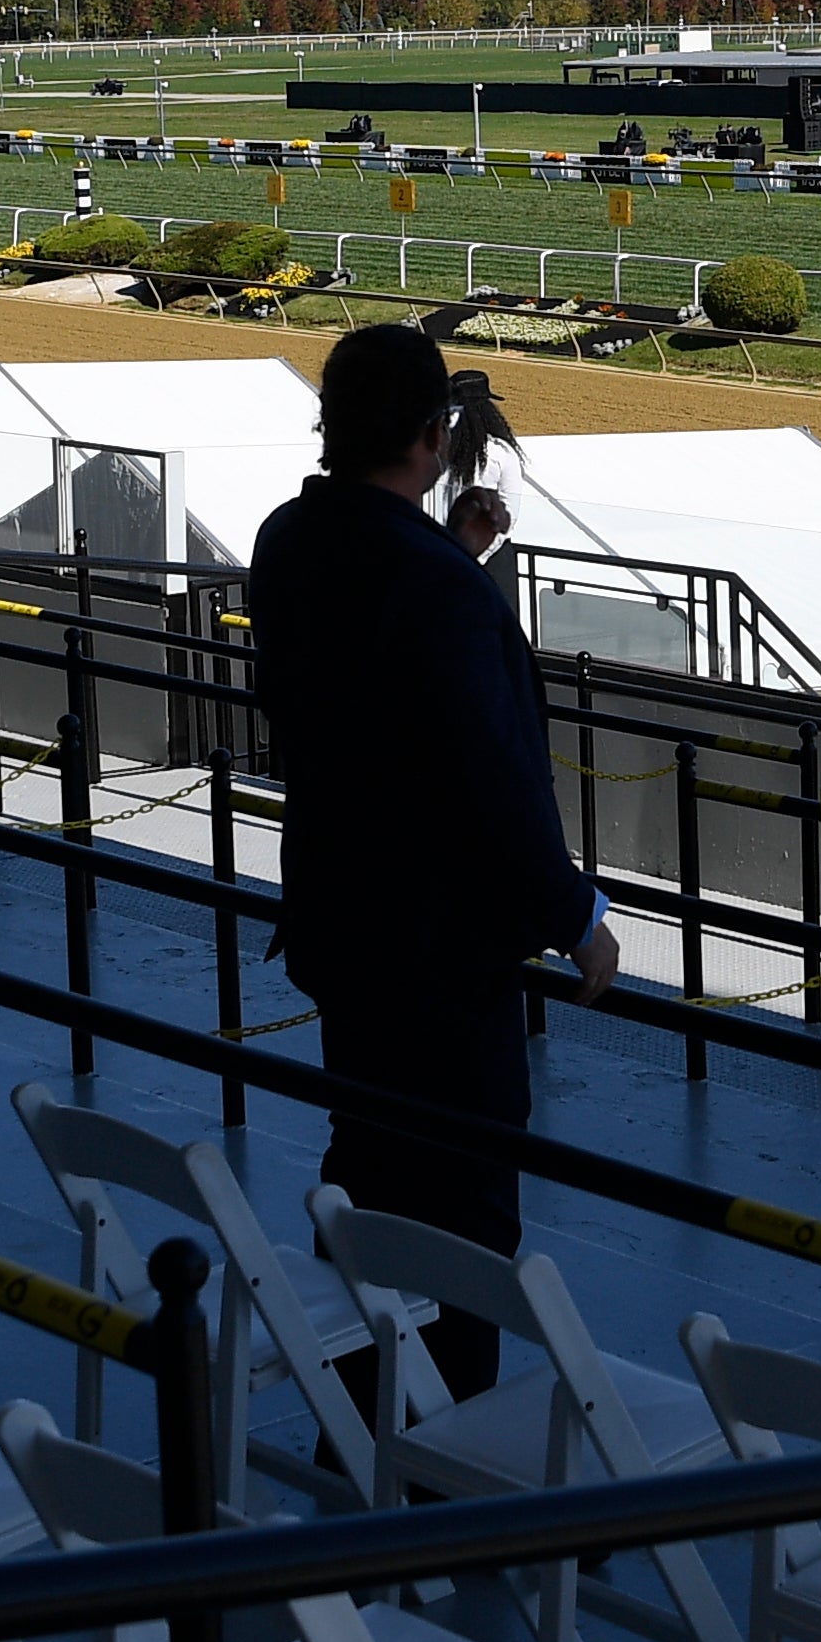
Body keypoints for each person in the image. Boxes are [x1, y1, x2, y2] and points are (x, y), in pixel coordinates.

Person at [248, 322, 613, 1396]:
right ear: (432, 434)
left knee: (367, 1173)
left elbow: (367, 674)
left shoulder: (287, 538)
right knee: (459, 1219)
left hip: (338, 924)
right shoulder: (434, 587)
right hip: (440, 958)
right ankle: (441, 1457)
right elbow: (487, 781)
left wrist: (447, 558)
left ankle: (358, 1424)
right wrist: (574, 914)